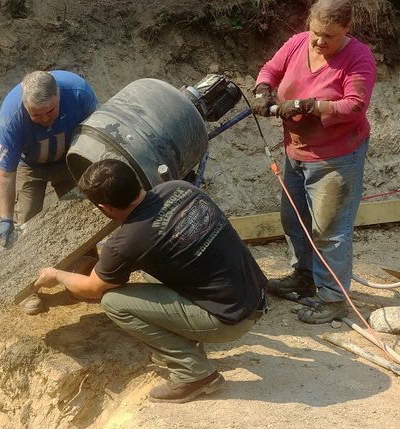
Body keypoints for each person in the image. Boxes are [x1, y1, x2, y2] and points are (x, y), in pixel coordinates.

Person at [34, 159, 268, 403]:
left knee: (114, 301)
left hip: (231, 320)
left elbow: (92, 288)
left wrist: (57, 274)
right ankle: (185, 341)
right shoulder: (180, 188)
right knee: (152, 272)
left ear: (104, 208)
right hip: (255, 293)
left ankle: (194, 374)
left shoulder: (129, 241)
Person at [250, 0, 376, 324]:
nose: (319, 41)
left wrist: (312, 106)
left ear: (347, 29)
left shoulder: (358, 58)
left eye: (329, 37)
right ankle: (304, 276)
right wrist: (263, 89)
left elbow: (354, 105)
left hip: (336, 157)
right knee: (294, 220)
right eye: (316, 32)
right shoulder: (297, 44)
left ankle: (333, 299)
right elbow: (270, 69)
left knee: (328, 230)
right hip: (297, 153)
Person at [0, 70, 98, 314]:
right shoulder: (12, 116)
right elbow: (6, 174)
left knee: (81, 218)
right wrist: (6, 218)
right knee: (28, 222)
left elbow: (96, 137)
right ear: (25, 106)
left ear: (59, 95)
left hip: (70, 158)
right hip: (31, 167)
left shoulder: (79, 93)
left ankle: (87, 278)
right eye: (36, 115)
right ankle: (29, 288)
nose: (45, 119)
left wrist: (93, 182)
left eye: (50, 111)